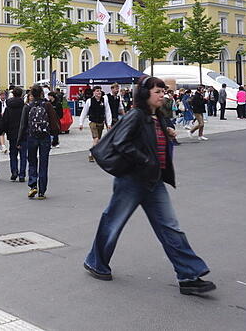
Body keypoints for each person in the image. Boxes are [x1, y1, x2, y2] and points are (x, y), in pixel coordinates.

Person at [84, 76, 215, 296]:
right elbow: (121, 142)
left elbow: (150, 141)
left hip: (154, 180)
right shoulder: (136, 115)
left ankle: (188, 275)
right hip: (132, 180)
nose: (162, 95)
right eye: (158, 92)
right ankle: (96, 262)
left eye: (163, 91)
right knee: (113, 222)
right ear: (145, 94)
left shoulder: (157, 116)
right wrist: (145, 160)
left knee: (170, 227)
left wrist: (167, 134)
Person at [19, 85, 60, 198]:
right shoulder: (47, 105)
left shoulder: (28, 106)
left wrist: (19, 140)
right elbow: (54, 122)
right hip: (45, 137)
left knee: (32, 161)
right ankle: (42, 191)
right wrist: (55, 137)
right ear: (42, 93)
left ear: (31, 94)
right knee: (43, 163)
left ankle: (33, 186)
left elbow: (23, 125)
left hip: (32, 137)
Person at [79, 88, 113, 162]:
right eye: (97, 91)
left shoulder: (104, 100)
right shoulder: (89, 101)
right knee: (96, 138)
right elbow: (84, 112)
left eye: (100, 91)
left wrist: (109, 123)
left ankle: (93, 153)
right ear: (94, 92)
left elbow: (108, 112)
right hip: (93, 122)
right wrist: (81, 123)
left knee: (98, 140)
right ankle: (91, 154)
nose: (99, 92)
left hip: (101, 122)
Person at [2, 87, 27, 181]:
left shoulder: (8, 107)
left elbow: (5, 121)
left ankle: (14, 172)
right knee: (23, 155)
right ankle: (22, 174)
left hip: (12, 133)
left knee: (13, 153)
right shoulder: (25, 107)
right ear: (21, 95)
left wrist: (6, 131)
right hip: (23, 133)